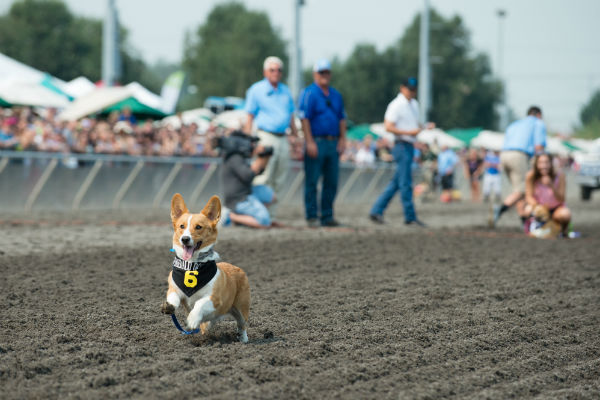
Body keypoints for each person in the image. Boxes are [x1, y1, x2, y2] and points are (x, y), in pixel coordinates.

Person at [369, 77, 434, 225]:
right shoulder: (396, 105)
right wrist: (409, 132)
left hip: (409, 146)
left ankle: (376, 210)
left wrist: (424, 127)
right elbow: (388, 126)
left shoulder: (414, 105)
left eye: (414, 89)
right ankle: (410, 217)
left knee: (397, 183)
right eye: (409, 88)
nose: (412, 92)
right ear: (402, 88)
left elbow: (415, 125)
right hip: (401, 145)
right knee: (405, 183)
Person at [244, 56, 298, 225]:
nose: (276, 73)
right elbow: (249, 116)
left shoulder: (285, 91)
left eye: (279, 70)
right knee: (263, 176)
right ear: (265, 72)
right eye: (272, 69)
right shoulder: (256, 89)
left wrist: (296, 137)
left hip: (282, 138)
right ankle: (257, 215)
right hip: (265, 136)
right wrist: (249, 140)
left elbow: (290, 116)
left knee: (279, 178)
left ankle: (271, 216)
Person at [298, 59, 347, 227]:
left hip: (332, 142)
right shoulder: (309, 93)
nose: (324, 75)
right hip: (317, 141)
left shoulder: (336, 95)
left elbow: (341, 118)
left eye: (327, 72)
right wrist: (309, 142)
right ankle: (312, 215)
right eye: (321, 72)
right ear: (315, 74)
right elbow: (304, 118)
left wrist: (343, 139)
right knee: (312, 180)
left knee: (331, 181)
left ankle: (327, 215)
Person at [494, 106, 547, 226]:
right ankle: (500, 209)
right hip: (519, 155)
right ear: (538, 114)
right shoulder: (538, 123)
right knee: (523, 189)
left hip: (504, 154)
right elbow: (539, 147)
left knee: (518, 189)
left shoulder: (514, 124)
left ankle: (524, 220)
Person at [218, 131, 274, 229]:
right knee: (265, 222)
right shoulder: (235, 158)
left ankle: (247, 219)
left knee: (271, 196)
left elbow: (258, 171)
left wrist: (266, 156)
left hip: (246, 193)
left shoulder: (239, 157)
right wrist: (260, 156)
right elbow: (248, 176)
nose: (253, 146)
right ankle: (231, 216)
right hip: (238, 199)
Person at [524, 153, 571, 235]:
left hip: (556, 208)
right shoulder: (531, 176)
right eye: (540, 163)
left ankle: (563, 230)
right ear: (536, 164)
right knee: (527, 210)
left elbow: (562, 199)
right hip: (540, 208)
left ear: (551, 164)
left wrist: (551, 185)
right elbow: (528, 196)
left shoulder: (560, 175)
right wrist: (538, 207)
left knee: (565, 214)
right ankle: (532, 225)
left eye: (546, 162)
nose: (544, 166)